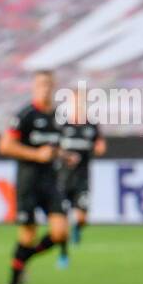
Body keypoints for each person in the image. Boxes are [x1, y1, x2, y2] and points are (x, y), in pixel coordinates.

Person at [0, 70, 71, 284]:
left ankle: (24, 260)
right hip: (28, 182)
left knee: (60, 232)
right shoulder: (25, 115)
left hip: (50, 182)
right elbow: (5, 146)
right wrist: (36, 154)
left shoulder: (58, 117)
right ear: (34, 87)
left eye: (49, 84)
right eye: (41, 84)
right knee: (27, 236)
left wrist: (63, 155)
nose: (45, 88)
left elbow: (52, 148)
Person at [56, 86, 106, 267]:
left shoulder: (91, 125)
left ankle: (77, 228)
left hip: (82, 179)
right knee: (60, 223)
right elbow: (53, 146)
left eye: (81, 101)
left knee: (82, 217)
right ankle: (63, 255)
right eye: (75, 101)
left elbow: (100, 144)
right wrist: (64, 155)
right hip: (61, 179)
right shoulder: (62, 124)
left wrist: (99, 148)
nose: (78, 104)